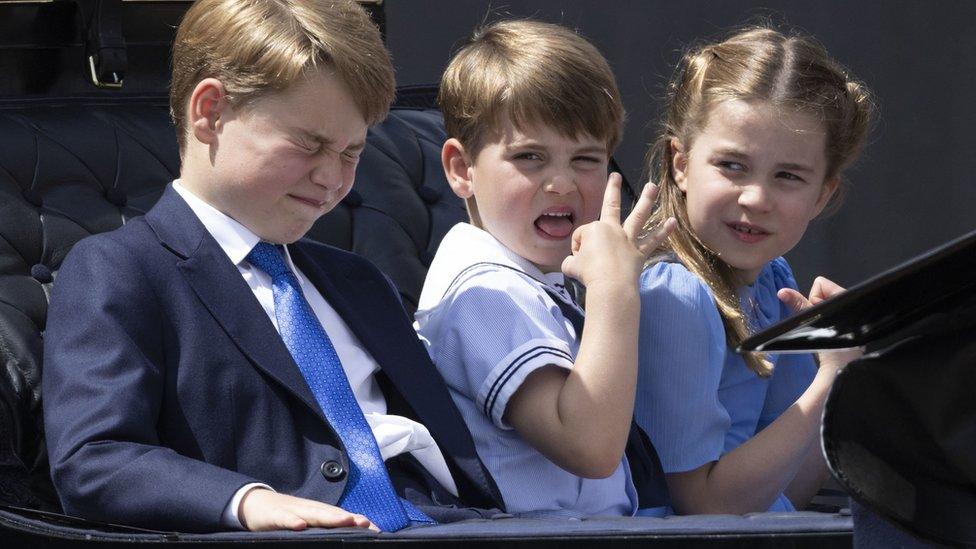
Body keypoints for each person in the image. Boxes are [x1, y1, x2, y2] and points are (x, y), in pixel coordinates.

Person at [42, 0, 501, 534]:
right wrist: (247, 501)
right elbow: (94, 456)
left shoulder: (359, 283)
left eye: (351, 154)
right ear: (211, 113)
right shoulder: (120, 271)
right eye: (309, 145)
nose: (332, 178)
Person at [414, 20, 675, 518]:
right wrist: (615, 291)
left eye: (586, 159)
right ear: (460, 169)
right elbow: (590, 448)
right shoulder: (484, 294)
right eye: (530, 157)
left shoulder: (527, 279)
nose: (561, 183)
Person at [633, 26, 874, 514]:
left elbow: (785, 490)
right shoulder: (674, 294)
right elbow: (701, 508)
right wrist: (829, 381)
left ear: (822, 194)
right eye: (732, 165)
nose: (756, 198)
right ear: (680, 164)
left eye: (788, 176)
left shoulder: (772, 281)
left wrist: (842, 374)